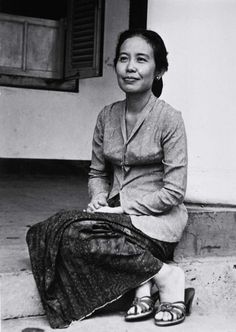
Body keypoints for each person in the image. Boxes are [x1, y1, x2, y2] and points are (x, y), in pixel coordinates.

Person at [26, 29, 194, 329]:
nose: (130, 67)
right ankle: (147, 278)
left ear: (159, 69)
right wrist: (99, 196)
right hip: (113, 218)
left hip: (155, 221)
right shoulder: (107, 116)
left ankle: (169, 279)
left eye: (141, 60)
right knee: (42, 233)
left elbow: (174, 191)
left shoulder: (169, 119)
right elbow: (97, 173)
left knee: (75, 235)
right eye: (123, 59)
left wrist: (122, 207)